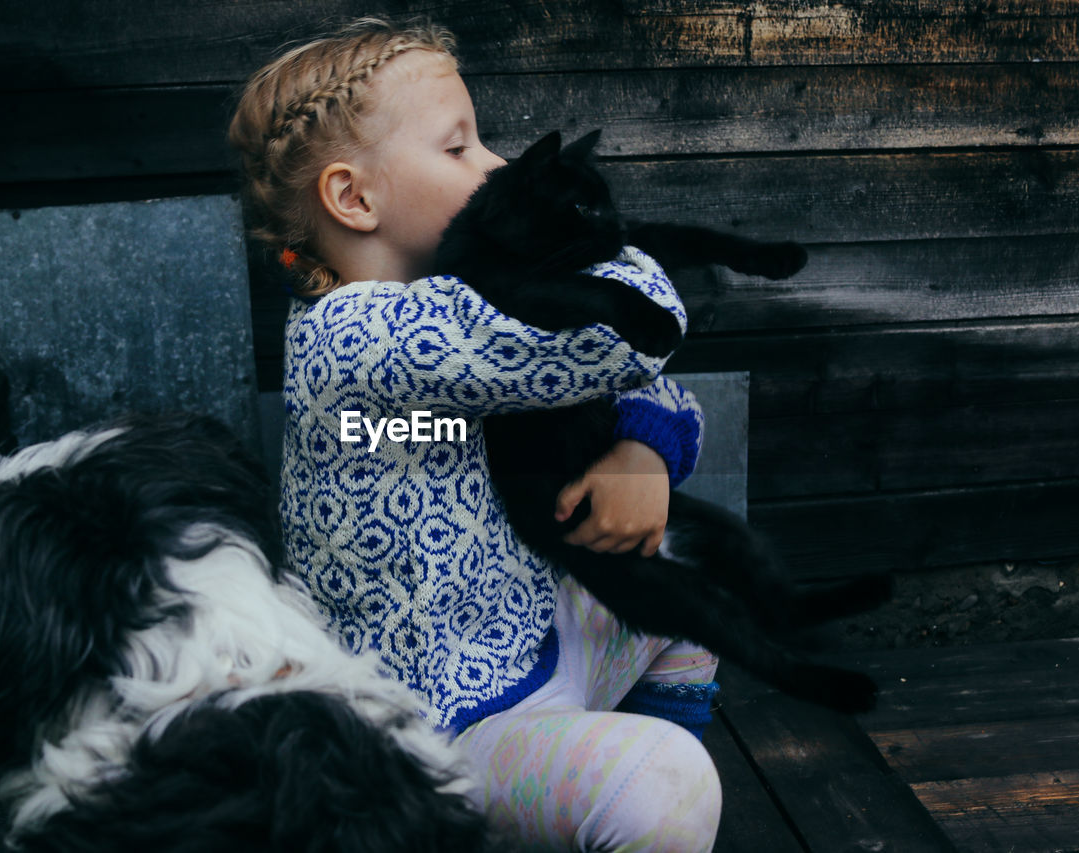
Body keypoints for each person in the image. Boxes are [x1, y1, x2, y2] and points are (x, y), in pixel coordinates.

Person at [229, 17, 721, 851]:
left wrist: (642, 452)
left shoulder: (463, 336)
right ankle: (592, 797)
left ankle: (578, 797)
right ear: (354, 199)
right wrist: (576, 235)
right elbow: (639, 325)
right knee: (664, 785)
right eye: (459, 148)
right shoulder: (362, 333)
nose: (498, 166)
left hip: (529, 650)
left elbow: (661, 391)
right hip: (442, 734)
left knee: (699, 569)